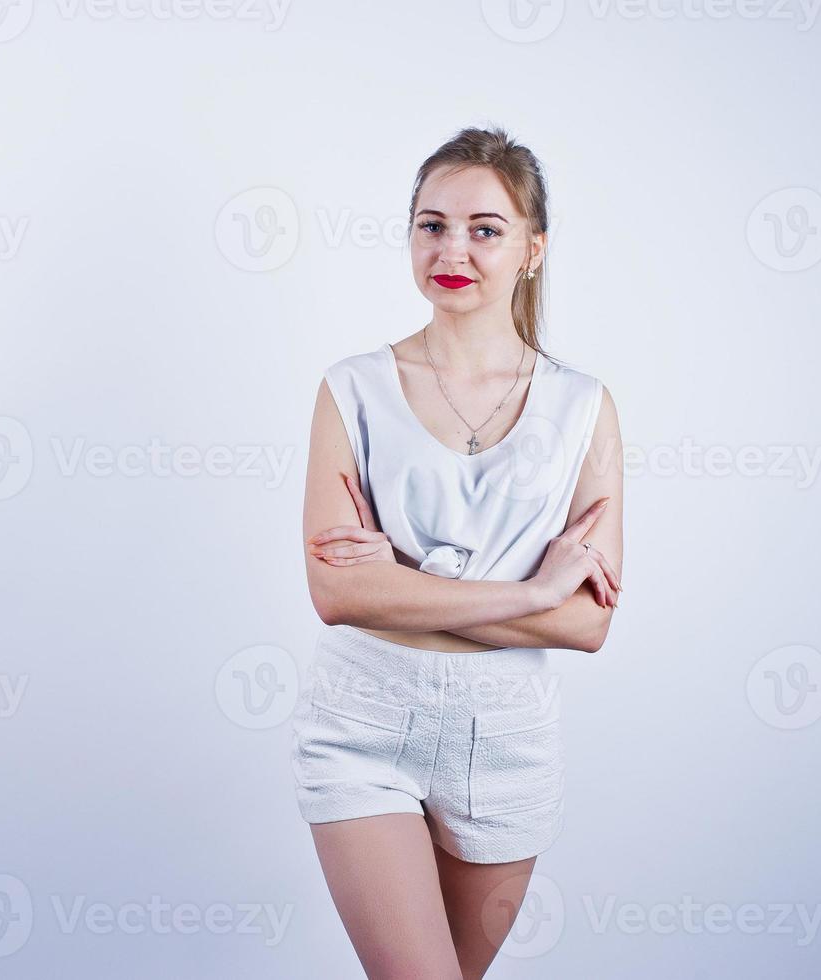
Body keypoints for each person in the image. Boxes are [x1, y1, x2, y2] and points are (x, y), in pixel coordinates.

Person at [292, 125, 625, 979]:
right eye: (431, 224)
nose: (453, 249)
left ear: (532, 249)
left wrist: (402, 580)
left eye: (485, 229)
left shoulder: (583, 409)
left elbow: (586, 625)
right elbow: (339, 597)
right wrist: (525, 593)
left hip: (508, 735)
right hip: (363, 719)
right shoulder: (353, 387)